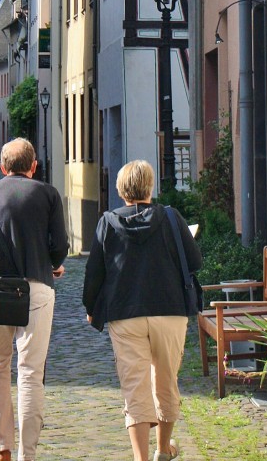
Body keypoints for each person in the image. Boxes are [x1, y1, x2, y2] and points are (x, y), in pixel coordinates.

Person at [82, 160, 202, 461]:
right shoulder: (172, 219)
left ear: (122, 190)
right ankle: (163, 448)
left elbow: (94, 271)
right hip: (169, 309)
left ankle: (141, 458)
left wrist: (90, 306)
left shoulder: (108, 222)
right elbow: (195, 261)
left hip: (125, 312)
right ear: (150, 187)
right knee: (166, 380)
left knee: (134, 386)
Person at [0, 137, 69, 461]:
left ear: (2, 167)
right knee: (30, 372)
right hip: (37, 289)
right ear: (34, 166)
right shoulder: (49, 194)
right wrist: (53, 264)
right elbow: (61, 244)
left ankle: (1, 448)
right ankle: (28, 454)